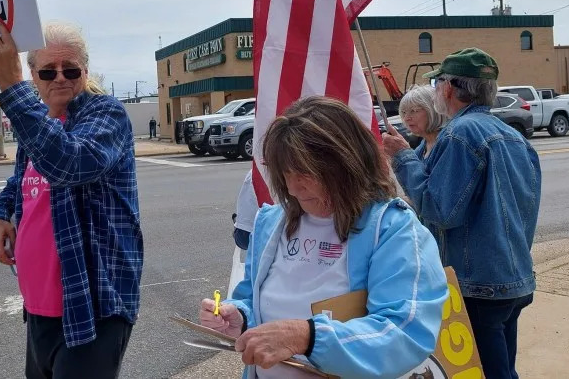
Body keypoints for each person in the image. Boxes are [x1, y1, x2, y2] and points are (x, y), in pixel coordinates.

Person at [200, 96, 448, 378]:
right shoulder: (271, 222)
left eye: (306, 173)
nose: (294, 188)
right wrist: (240, 319)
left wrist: (307, 336)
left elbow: (406, 331)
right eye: (286, 173)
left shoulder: (393, 229)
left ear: (347, 164)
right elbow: (255, 300)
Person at [0, 20, 144, 379]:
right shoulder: (36, 124)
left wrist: (12, 88)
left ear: (84, 72)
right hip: (40, 306)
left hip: (92, 306)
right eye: (48, 70)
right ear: (34, 74)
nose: (60, 77)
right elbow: (19, 185)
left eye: (70, 69)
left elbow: (69, 164)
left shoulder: (105, 114)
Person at [382, 48, 541, 379]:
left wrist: (402, 156)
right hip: (512, 280)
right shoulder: (514, 137)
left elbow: (440, 210)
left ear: (448, 88)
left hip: (478, 285)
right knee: (502, 369)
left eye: (437, 83)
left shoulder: (460, 133)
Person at [398, 84, 446, 160]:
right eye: (403, 112)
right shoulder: (425, 143)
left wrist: (405, 153)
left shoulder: (447, 144)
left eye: (414, 110)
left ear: (433, 110)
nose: (406, 118)